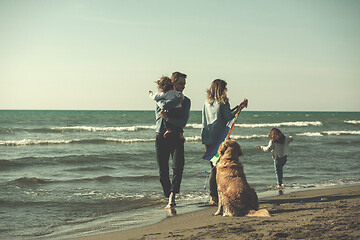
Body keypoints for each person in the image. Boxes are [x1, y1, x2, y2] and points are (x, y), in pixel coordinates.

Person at [154, 71, 191, 209]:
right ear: (173, 83)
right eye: (181, 83)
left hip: (176, 136)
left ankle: (172, 197)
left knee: (178, 167)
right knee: (163, 171)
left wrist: (168, 119)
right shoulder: (161, 99)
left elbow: (183, 122)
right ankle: (167, 193)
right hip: (160, 136)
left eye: (184, 84)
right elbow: (163, 108)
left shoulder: (186, 101)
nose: (183, 87)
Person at [201, 79, 239, 205]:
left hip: (207, 137)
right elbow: (228, 118)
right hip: (219, 138)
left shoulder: (207, 102)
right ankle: (217, 195)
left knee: (213, 166)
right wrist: (240, 109)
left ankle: (214, 196)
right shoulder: (223, 101)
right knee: (218, 167)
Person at [149, 76, 185, 141]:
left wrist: (150, 94)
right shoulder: (175, 93)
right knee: (178, 120)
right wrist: (179, 100)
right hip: (178, 110)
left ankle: (168, 129)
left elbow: (156, 99)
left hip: (171, 111)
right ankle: (181, 134)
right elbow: (181, 96)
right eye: (181, 83)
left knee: (165, 117)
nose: (183, 86)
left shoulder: (163, 94)